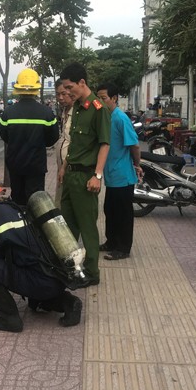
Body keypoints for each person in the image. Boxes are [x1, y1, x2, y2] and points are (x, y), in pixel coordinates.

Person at [0, 176, 82, 332]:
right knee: (35, 300)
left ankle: (10, 319)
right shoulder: (14, 207)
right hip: (57, 278)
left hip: (41, 283)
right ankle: (68, 302)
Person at [58, 63, 111, 286]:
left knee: (87, 227)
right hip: (70, 175)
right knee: (67, 226)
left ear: (82, 83)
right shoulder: (78, 108)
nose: (68, 92)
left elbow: (105, 144)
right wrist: (63, 167)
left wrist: (97, 176)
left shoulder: (98, 109)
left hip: (86, 178)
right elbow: (75, 144)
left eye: (70, 87)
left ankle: (91, 272)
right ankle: (70, 267)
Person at [0, 68, 59, 205]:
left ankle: (20, 225)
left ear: (18, 89)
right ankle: (33, 226)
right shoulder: (47, 113)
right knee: (36, 203)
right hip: (36, 167)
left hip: (15, 166)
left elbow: (5, 136)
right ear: (37, 89)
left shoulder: (8, 113)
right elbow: (53, 138)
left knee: (18, 202)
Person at [96, 83, 141, 261]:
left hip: (123, 176)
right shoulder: (106, 116)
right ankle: (111, 241)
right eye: (98, 97)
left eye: (103, 98)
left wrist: (137, 164)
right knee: (110, 210)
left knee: (123, 214)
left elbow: (135, 145)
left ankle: (123, 248)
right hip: (112, 176)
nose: (100, 101)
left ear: (114, 98)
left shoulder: (120, 118)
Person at [53, 80, 73, 208]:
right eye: (58, 94)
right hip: (62, 168)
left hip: (70, 168)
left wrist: (64, 167)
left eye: (64, 94)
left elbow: (75, 144)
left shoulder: (78, 113)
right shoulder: (64, 111)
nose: (60, 98)